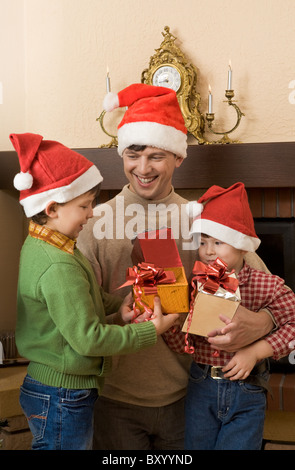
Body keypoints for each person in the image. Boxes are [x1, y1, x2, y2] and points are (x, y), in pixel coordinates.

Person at [77, 83, 275, 450]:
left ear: (179, 157)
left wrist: (262, 324)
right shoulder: (92, 222)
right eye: (133, 154)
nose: (143, 167)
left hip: (192, 398)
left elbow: (273, 292)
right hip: (115, 400)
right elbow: (78, 317)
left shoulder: (206, 221)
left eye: (157, 156)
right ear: (121, 153)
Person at [10, 132, 178, 451]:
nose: (91, 214)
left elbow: (86, 299)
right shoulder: (58, 264)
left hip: (52, 386)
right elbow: (89, 339)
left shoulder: (48, 246)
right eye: (85, 205)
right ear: (53, 207)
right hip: (63, 393)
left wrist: (122, 307)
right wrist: (148, 331)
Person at [163, 182, 295, 450]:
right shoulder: (195, 285)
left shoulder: (266, 285)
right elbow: (183, 346)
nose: (208, 251)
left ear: (242, 246)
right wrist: (168, 323)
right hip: (201, 386)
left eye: (218, 242)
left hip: (248, 389)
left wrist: (257, 351)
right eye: (203, 242)